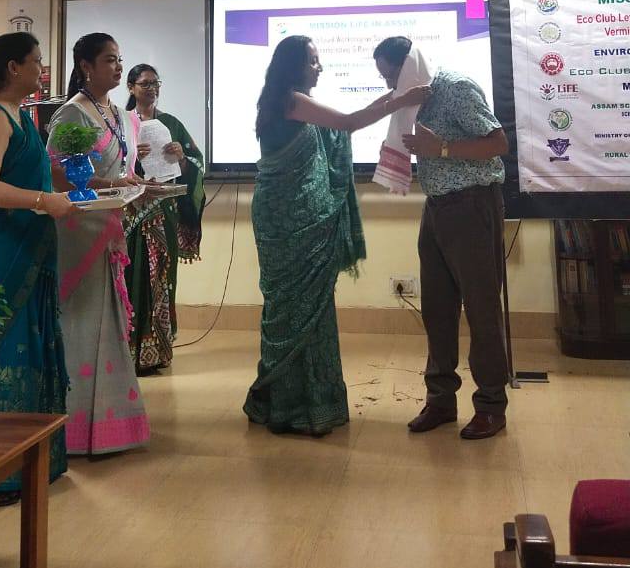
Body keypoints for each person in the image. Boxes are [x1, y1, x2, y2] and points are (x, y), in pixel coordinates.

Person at [244, 35, 428, 436]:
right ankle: (289, 405)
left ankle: (307, 402)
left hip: (299, 218)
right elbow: (347, 123)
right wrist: (400, 98)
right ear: (294, 65)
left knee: (310, 307)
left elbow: (344, 122)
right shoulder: (291, 101)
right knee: (290, 307)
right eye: (313, 60)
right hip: (287, 221)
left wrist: (396, 95)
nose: (320, 67)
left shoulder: (286, 101)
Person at [0, 33, 74, 503]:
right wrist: (45, 201)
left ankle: (30, 462)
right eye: (36, 61)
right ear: (12, 68)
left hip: (30, 245)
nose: (42, 69)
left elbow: (37, 176)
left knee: (31, 343)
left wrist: (91, 190)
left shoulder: (21, 115)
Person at [374, 35, 509, 441]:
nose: (389, 87)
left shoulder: (455, 88)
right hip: (436, 208)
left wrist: (443, 148)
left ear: (409, 67)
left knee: (481, 309)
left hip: (472, 204)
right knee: (436, 308)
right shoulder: (413, 101)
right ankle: (441, 401)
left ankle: (490, 405)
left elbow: (498, 143)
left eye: (391, 77)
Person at [47, 34, 150, 456]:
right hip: (79, 231)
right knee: (81, 322)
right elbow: (56, 175)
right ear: (86, 66)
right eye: (109, 60)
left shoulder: (120, 114)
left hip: (109, 225)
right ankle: (71, 429)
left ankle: (111, 425)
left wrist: (134, 186)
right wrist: (112, 184)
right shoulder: (73, 112)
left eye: (120, 59)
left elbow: (122, 168)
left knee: (109, 322)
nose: (118, 67)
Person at [124, 64, 205, 372]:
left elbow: (197, 164)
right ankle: (129, 349)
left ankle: (158, 349)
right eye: (145, 83)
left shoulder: (171, 123)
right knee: (133, 275)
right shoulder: (122, 122)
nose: (152, 89)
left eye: (156, 83)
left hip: (165, 211)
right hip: (132, 213)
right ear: (131, 87)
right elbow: (107, 164)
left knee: (164, 276)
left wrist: (181, 157)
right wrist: (132, 156)